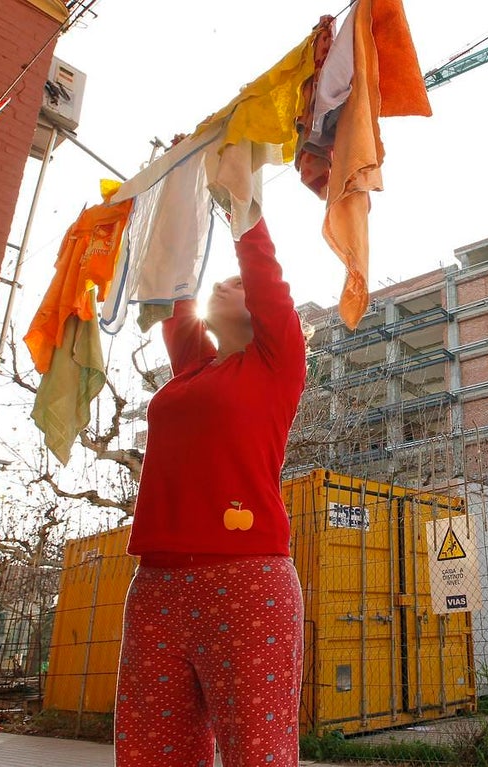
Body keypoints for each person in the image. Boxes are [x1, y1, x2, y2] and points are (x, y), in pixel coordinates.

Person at [114, 216, 306, 767]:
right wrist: (184, 189)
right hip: (155, 584)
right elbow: (176, 276)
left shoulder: (277, 365)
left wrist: (237, 195)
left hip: (246, 582)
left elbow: (263, 271)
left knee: (257, 755)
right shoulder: (193, 367)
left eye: (239, 284)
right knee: (150, 755)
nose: (226, 282)